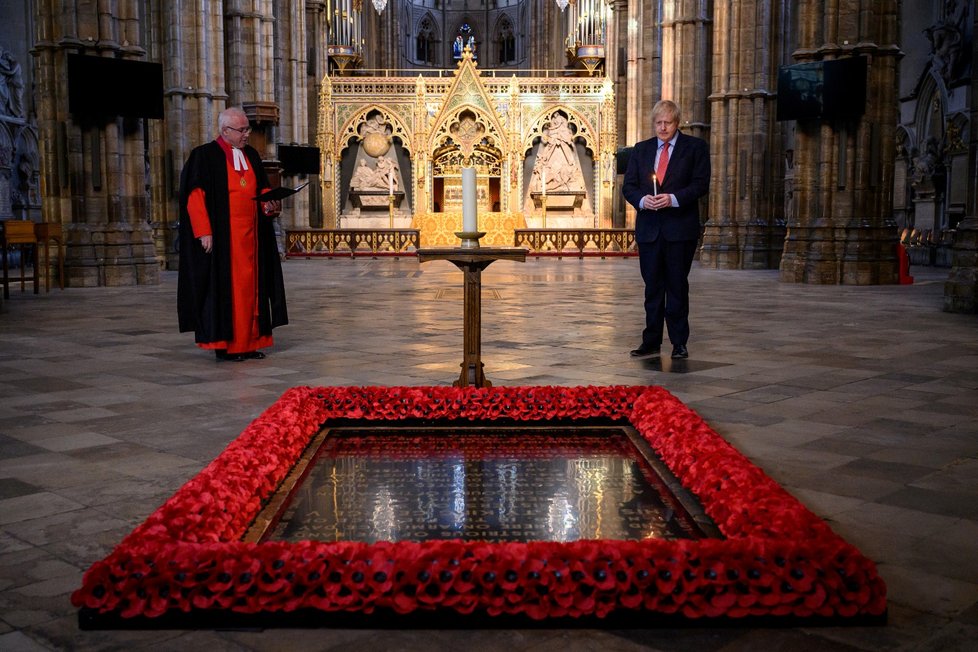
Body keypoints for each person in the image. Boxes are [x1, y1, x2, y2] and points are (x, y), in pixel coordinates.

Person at [177, 107, 288, 361]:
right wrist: (204, 232)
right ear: (225, 131)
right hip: (224, 241)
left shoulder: (251, 155)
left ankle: (250, 343)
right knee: (229, 293)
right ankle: (228, 347)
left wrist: (268, 205)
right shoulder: (204, 156)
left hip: (252, 239)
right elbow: (195, 197)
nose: (247, 134)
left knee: (252, 293)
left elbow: (261, 189)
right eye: (242, 130)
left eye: (247, 129)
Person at [621, 100, 710, 360]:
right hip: (650, 229)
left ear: (677, 123)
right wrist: (642, 200)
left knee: (677, 287)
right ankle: (650, 341)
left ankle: (679, 343)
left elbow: (700, 184)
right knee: (652, 288)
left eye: (667, 123)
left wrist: (672, 198)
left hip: (680, 229)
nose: (662, 127)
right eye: (658, 123)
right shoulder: (641, 149)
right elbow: (629, 186)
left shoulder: (695, 148)